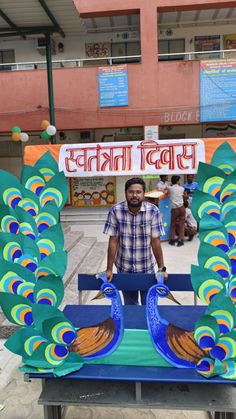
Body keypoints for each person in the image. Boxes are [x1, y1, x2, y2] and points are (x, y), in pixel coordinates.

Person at [103, 177, 167, 305]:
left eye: (138, 192)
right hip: (124, 269)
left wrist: (161, 268)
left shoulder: (153, 211)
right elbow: (113, 241)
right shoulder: (115, 211)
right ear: (125, 192)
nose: (134, 195)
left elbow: (155, 242)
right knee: (130, 307)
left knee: (149, 306)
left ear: (144, 194)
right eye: (131, 192)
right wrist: (109, 269)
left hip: (146, 269)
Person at [168, 175, 185, 247]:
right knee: (181, 224)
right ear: (178, 181)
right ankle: (181, 240)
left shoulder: (170, 188)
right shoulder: (182, 188)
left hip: (174, 209)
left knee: (173, 224)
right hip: (182, 207)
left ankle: (172, 239)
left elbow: (162, 188)